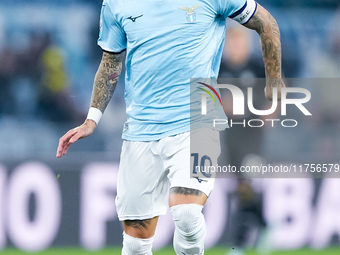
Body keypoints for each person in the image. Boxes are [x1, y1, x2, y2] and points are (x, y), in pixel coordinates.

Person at [56, 0, 284, 254]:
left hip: (197, 125)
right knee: (134, 245)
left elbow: (266, 22)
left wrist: (273, 80)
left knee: (187, 214)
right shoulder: (116, 4)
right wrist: (92, 119)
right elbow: (111, 61)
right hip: (140, 133)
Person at [218, 26, 268, 255]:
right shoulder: (221, 68)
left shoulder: (258, 67)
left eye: (239, 43)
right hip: (231, 137)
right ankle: (265, 225)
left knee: (247, 184)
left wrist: (270, 110)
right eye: (231, 43)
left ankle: (240, 243)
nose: (235, 48)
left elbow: (278, 90)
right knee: (241, 186)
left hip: (253, 138)